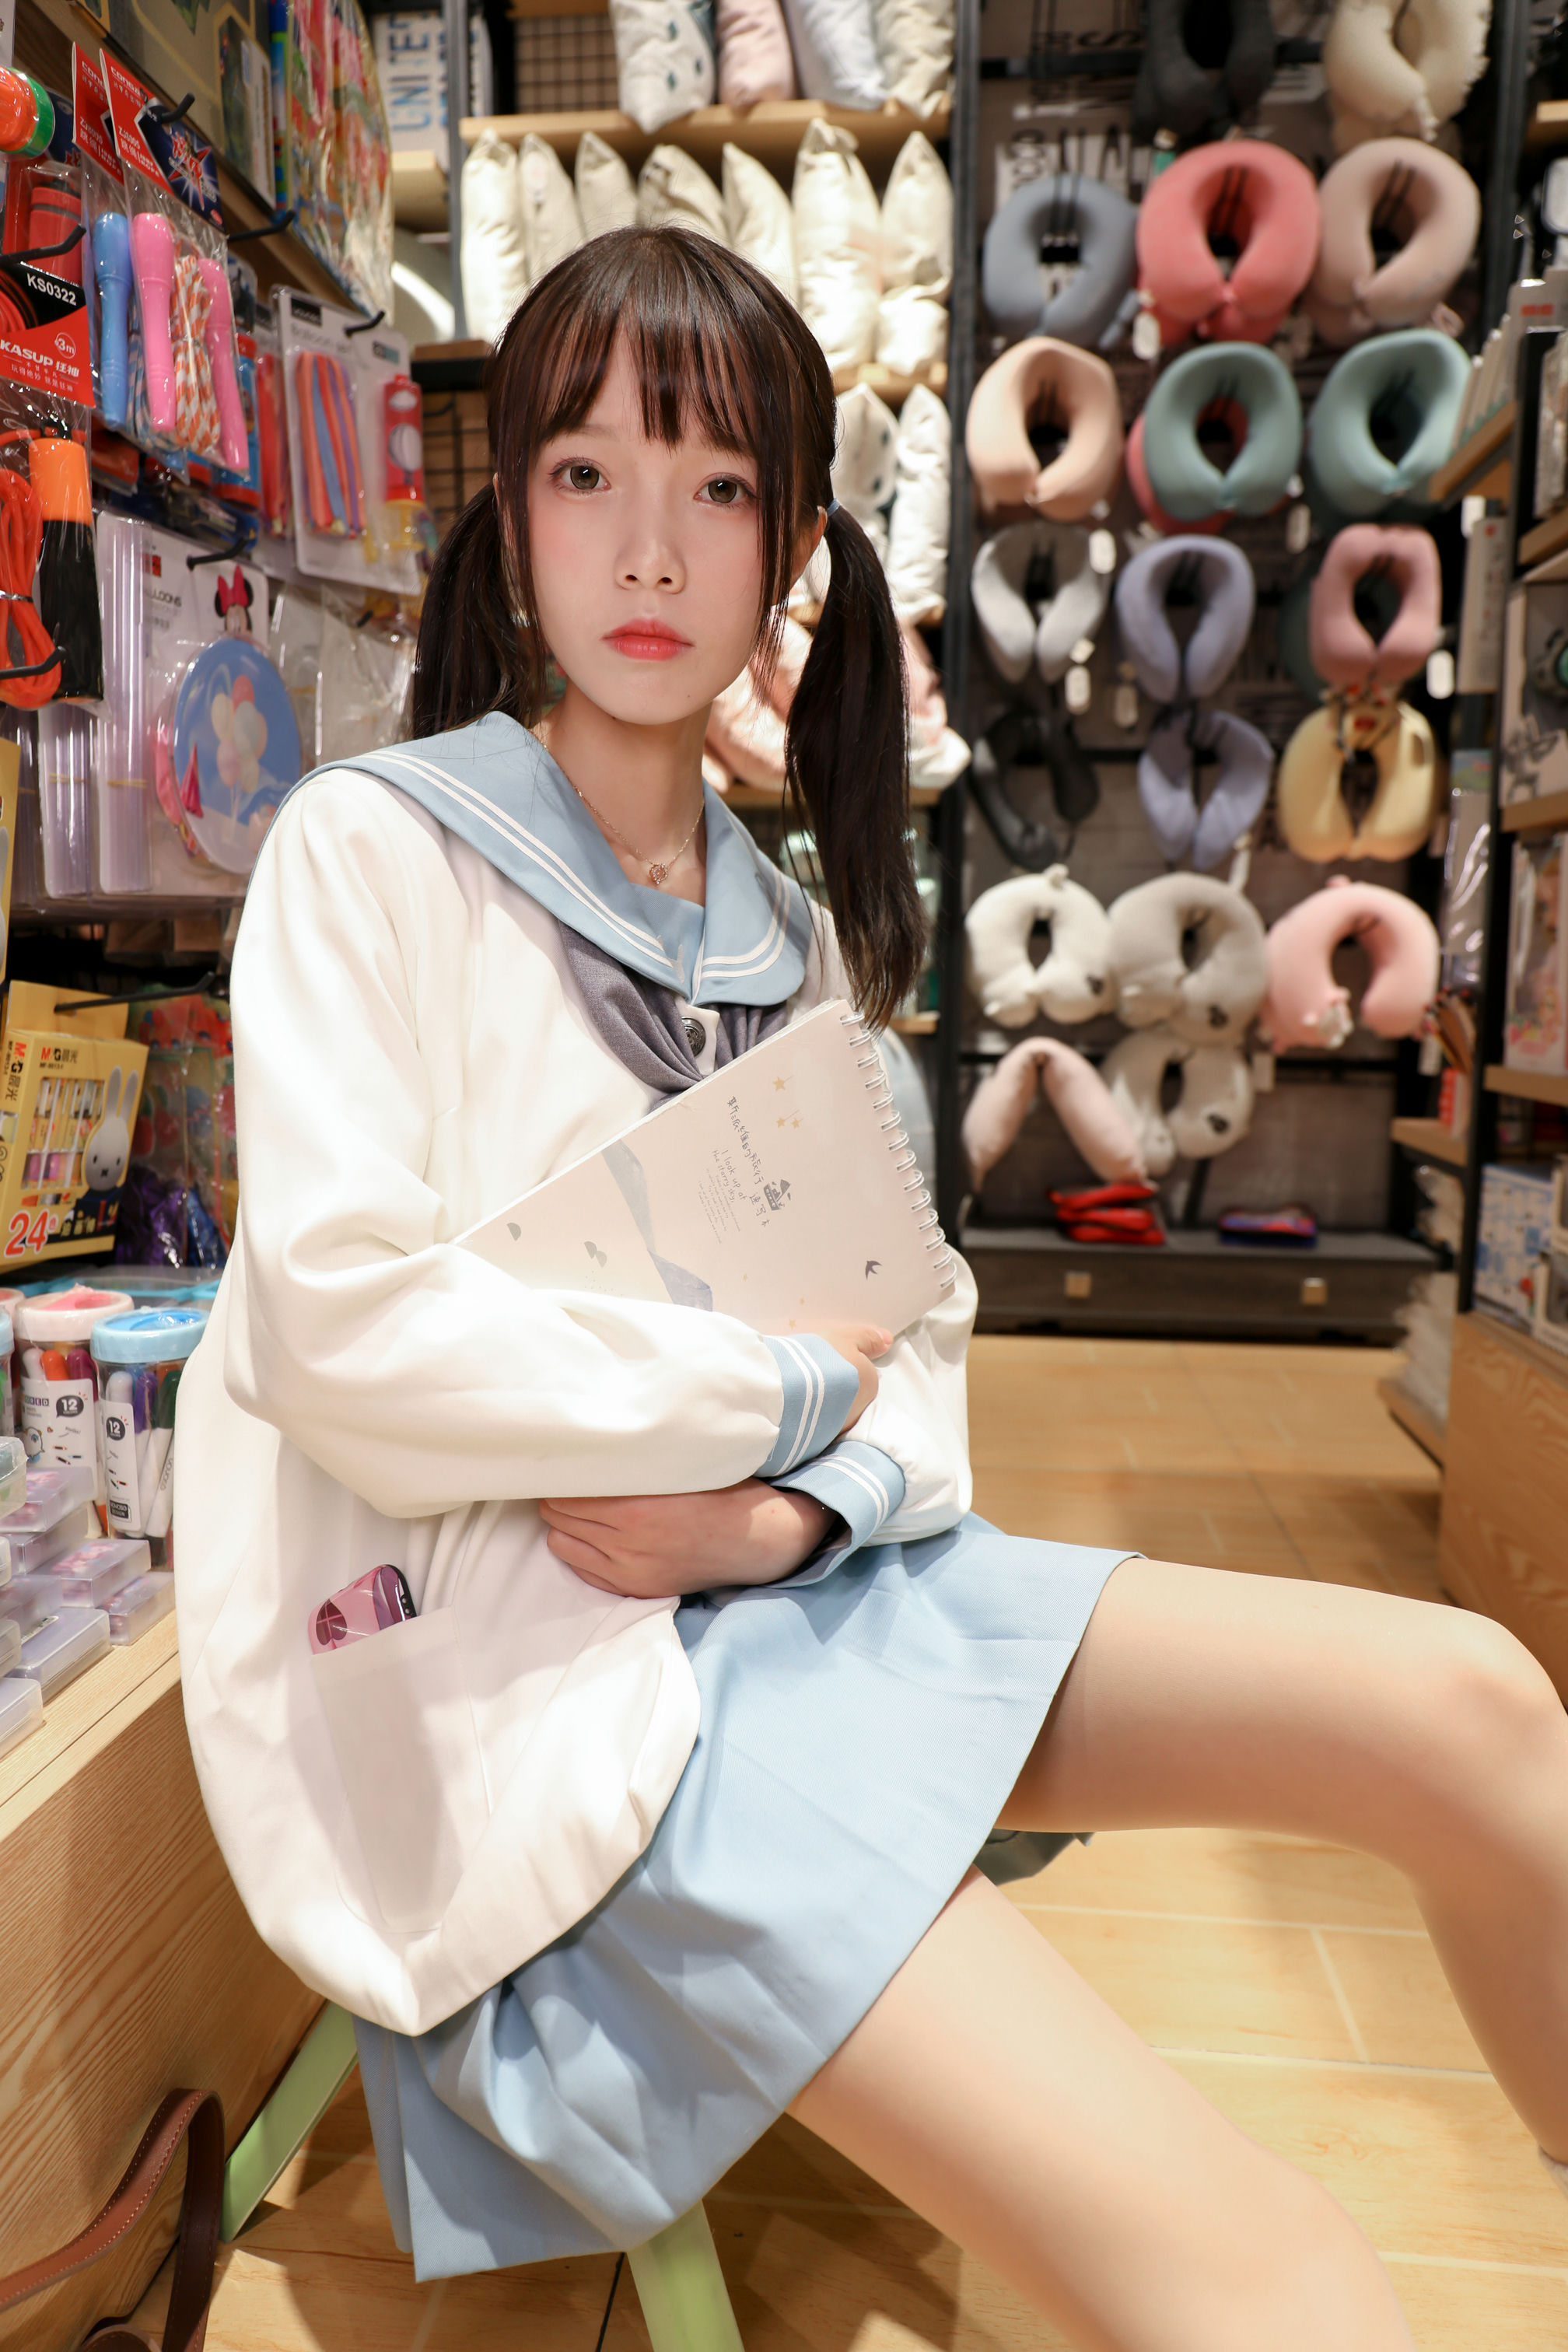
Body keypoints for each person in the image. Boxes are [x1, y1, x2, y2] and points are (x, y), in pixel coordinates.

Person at [175, 229, 1568, 2350]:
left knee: (1482, 1710)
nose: (651, 546)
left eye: (720, 485)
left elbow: (909, 1350)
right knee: (1277, 2276)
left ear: (793, 554)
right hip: (533, 1681)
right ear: (511, 518)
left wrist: (778, 1505)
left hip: (795, 1589)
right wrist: (771, 1400)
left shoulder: (786, 930)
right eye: (585, 473)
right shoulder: (372, 852)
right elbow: (342, 1331)